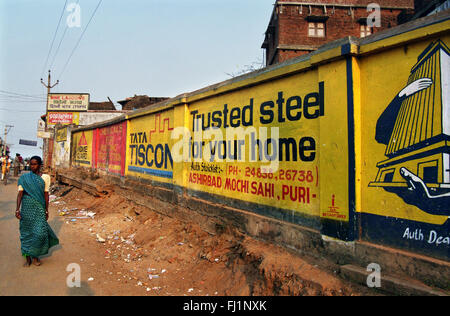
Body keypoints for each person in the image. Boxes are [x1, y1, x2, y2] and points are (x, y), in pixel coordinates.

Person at [15, 156, 59, 267]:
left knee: (39, 233)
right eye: (31, 164)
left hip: (39, 208)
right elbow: (20, 194)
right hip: (27, 208)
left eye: (34, 164)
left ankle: (35, 256)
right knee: (27, 233)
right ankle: (28, 258)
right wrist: (17, 209)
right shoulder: (24, 178)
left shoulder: (45, 177)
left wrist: (46, 210)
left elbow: (46, 194)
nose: (32, 166)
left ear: (40, 165)